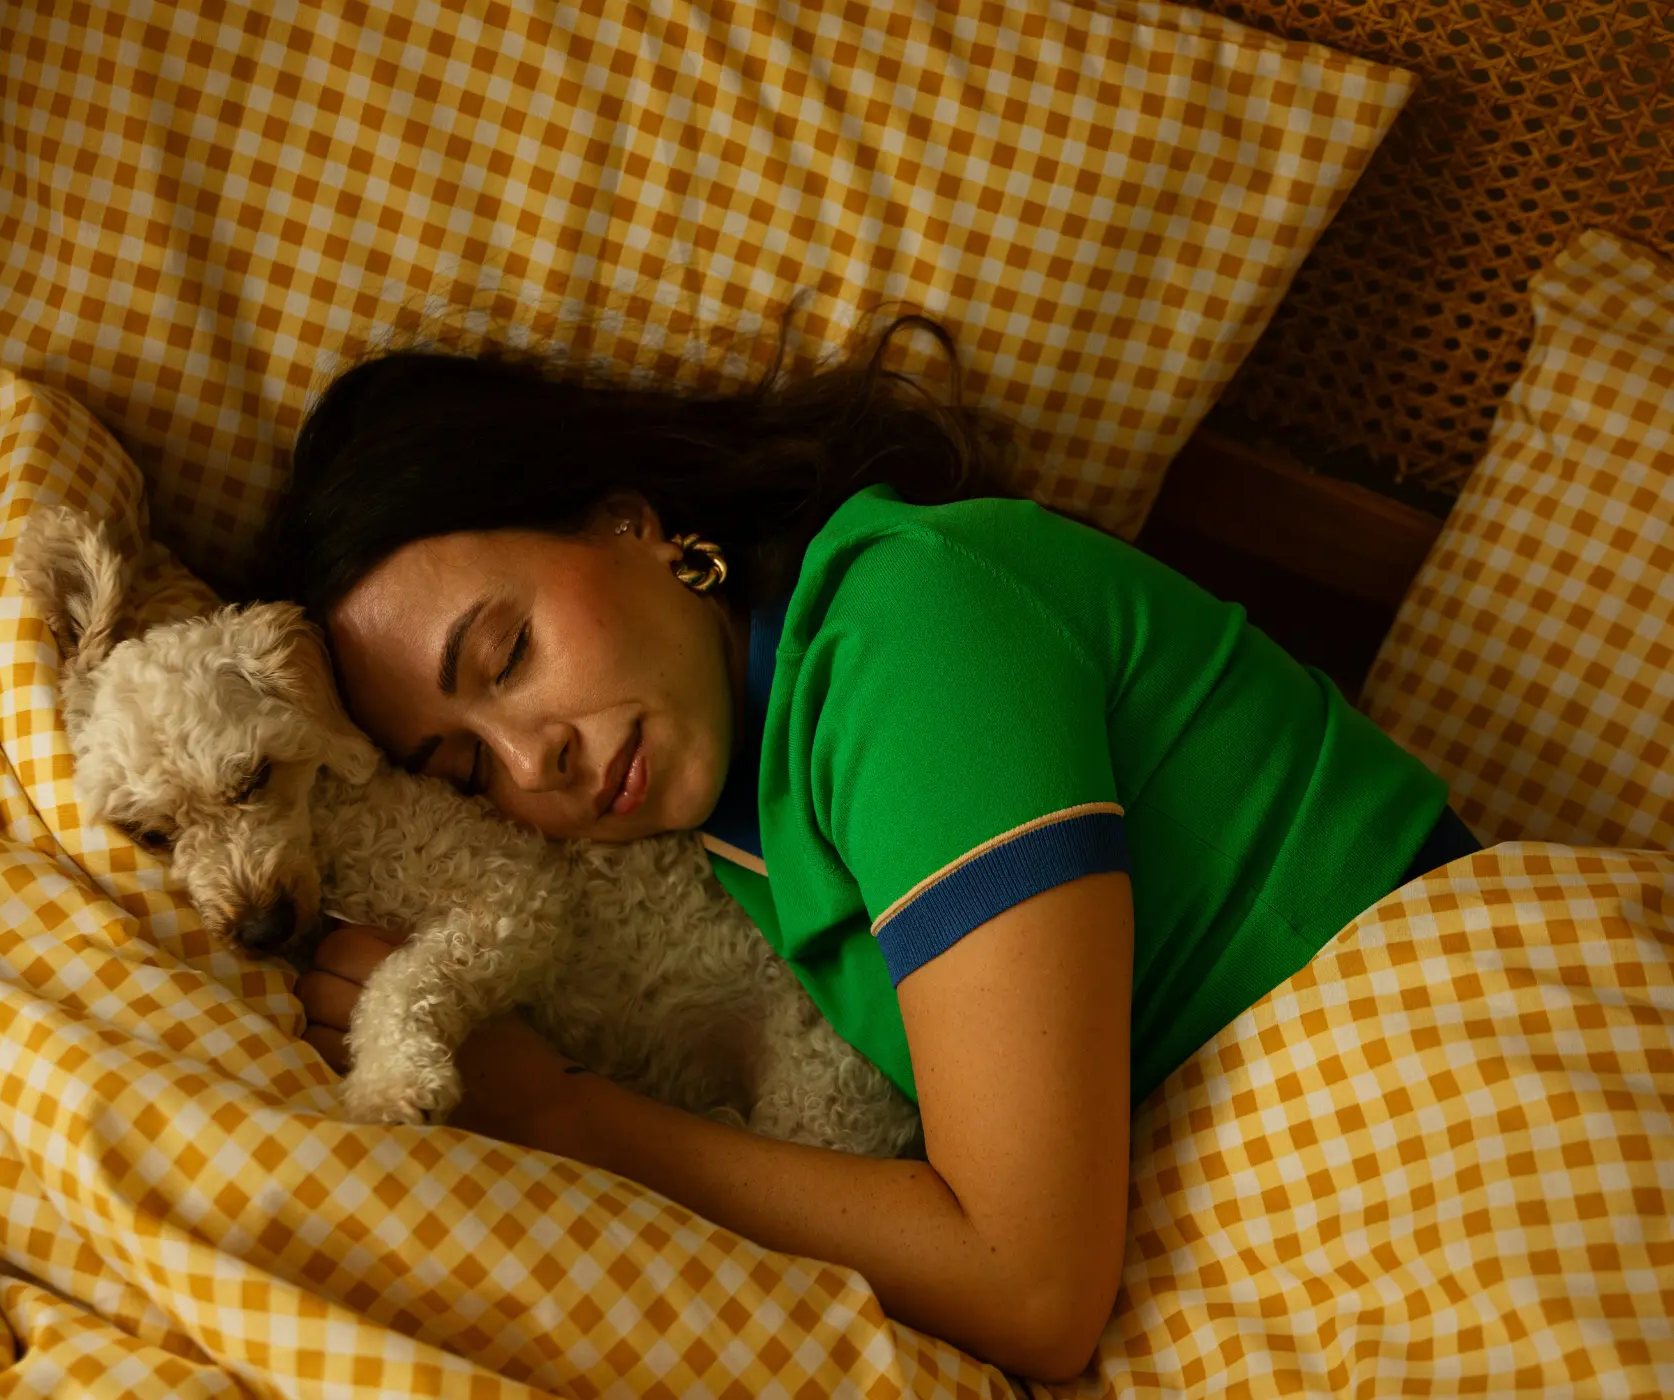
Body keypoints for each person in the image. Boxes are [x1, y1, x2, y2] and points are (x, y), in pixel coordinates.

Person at [259, 317, 1481, 1380]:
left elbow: (1031, 1282)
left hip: (1450, 1066)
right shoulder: (748, 813)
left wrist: (561, 1112)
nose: (533, 763)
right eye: (465, 768)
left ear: (631, 524)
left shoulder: (905, 630)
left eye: (508, 655)